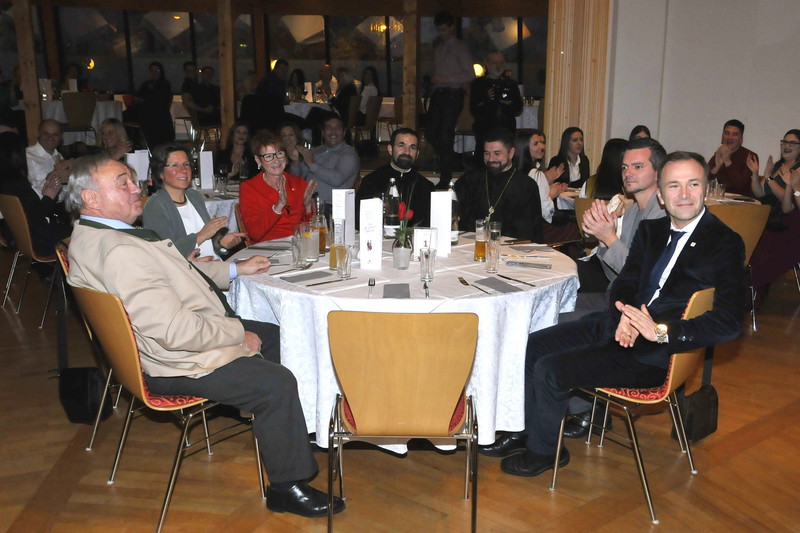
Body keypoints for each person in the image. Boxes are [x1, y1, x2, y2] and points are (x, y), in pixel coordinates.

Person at [65, 153, 344, 518]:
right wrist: (236, 333)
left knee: (282, 336)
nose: (136, 188)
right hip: (177, 360)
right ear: (91, 198)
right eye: (123, 183)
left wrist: (234, 270)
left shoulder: (89, 235)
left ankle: (289, 431)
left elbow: (175, 269)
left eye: (133, 180)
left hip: (157, 346)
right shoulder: (120, 251)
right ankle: (286, 487)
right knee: (275, 383)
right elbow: (174, 331)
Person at [489, 151, 746, 478]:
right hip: (617, 326)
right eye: (674, 186)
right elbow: (626, 282)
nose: (684, 194)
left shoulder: (725, 243)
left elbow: (728, 322)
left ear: (705, 189)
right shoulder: (652, 230)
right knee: (532, 347)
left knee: (551, 369)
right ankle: (526, 432)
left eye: (693, 184)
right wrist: (624, 312)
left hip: (655, 354)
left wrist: (660, 331)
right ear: (661, 195)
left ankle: (543, 453)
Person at [579, 137, 667, 293]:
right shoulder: (632, 211)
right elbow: (615, 276)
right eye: (624, 167)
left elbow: (640, 275)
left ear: (658, 173)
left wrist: (609, 237)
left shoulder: (663, 214)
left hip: (641, 304)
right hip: (618, 295)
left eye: (638, 167)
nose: (628, 173)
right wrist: (602, 240)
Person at [142, 144, 245, 260]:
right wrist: (201, 235)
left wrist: (222, 243)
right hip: (187, 269)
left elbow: (208, 244)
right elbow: (165, 253)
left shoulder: (194, 196)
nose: (183, 170)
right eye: (175, 165)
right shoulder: (155, 205)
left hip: (213, 265)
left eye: (186, 164)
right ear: (160, 173)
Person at [455, 128, 543, 242]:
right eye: (487, 153)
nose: (491, 159)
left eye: (497, 153)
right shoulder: (469, 181)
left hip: (511, 247)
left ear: (511, 153)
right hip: (472, 246)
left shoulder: (527, 186)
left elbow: (529, 232)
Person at [0, 131, 71, 257]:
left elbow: (29, 212)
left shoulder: (5, 182)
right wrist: (48, 197)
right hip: (37, 242)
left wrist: (45, 194)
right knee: (78, 231)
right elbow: (35, 219)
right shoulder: (17, 183)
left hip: (14, 237)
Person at [746, 129, 800, 295]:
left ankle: (753, 290)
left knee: (762, 252)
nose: (786, 145)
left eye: (792, 143)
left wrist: (770, 179)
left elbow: (787, 201)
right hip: (771, 217)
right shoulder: (778, 166)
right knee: (744, 240)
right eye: (784, 142)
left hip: (788, 223)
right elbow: (760, 193)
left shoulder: (798, 171)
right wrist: (755, 174)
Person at [240, 131, 317, 242]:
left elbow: (311, 228)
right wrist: (278, 207)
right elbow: (254, 233)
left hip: (298, 244)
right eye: (268, 156)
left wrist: (308, 206)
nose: (276, 160)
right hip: (268, 247)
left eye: (279, 153)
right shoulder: (249, 188)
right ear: (258, 160)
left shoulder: (299, 183)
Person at [427, 11, 474, 190]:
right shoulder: (438, 48)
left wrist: (445, 79)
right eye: (439, 30)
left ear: (452, 28)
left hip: (453, 94)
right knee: (431, 133)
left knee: (445, 135)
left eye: (444, 29)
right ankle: (455, 159)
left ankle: (445, 177)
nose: (441, 33)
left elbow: (470, 74)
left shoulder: (460, 48)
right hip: (439, 94)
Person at [356, 128, 434, 229]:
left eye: (412, 147)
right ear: (390, 149)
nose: (407, 152)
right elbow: (358, 221)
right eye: (401, 145)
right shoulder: (371, 181)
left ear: (417, 154)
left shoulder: (426, 187)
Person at [514, 130, 579, 244]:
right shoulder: (536, 174)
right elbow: (547, 212)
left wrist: (547, 182)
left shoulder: (513, 171)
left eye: (542, 142)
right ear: (524, 147)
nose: (542, 147)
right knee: (576, 229)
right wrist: (551, 195)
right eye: (536, 144)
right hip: (535, 231)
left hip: (516, 229)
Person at [296, 114, 360, 214]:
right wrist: (295, 161)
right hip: (307, 204)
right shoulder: (316, 151)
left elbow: (337, 179)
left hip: (332, 208)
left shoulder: (349, 154)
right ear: (323, 132)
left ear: (344, 132)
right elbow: (298, 175)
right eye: (329, 128)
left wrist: (312, 164)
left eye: (338, 128)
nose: (333, 131)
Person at [470, 50, 522, 156]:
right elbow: (474, 109)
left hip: (506, 129)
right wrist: (487, 99)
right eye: (495, 63)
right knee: (484, 158)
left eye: (501, 63)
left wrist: (507, 103)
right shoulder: (479, 84)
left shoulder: (510, 84)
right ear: (487, 63)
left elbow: (518, 109)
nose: (498, 66)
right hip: (485, 130)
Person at [708, 119, 758, 197]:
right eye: (727, 133)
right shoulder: (719, 153)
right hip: (722, 198)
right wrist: (716, 168)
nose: (730, 137)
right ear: (722, 136)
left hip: (743, 201)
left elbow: (741, 186)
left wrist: (728, 162)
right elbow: (705, 181)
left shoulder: (750, 156)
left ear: (741, 139)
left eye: (735, 134)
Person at [26, 119, 72, 199]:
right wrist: (54, 176)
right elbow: (32, 192)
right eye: (46, 134)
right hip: (39, 204)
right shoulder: (28, 156)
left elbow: (64, 191)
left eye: (55, 134)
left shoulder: (59, 156)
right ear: (39, 134)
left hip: (60, 204)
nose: (50, 138)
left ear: (61, 137)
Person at [133, 61, 174, 150]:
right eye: (152, 70)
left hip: (160, 114)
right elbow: (137, 97)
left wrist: (147, 99)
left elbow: (160, 99)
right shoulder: (146, 84)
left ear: (161, 72)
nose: (154, 73)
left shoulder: (165, 84)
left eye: (157, 70)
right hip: (146, 113)